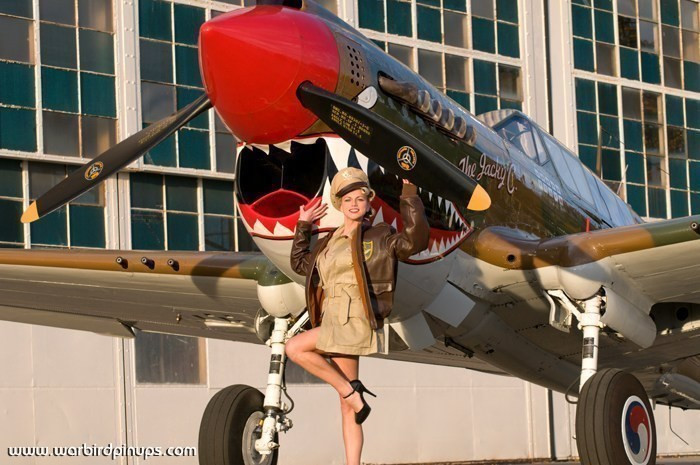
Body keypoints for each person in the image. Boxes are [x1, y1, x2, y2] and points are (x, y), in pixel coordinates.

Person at [287, 166, 429, 465]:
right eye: (347, 198)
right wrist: (303, 225)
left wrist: (410, 195)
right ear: (340, 204)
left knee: (295, 347)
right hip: (332, 317)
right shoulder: (329, 241)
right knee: (346, 406)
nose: (353, 203)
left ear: (368, 202)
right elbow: (302, 266)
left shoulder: (379, 235)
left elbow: (413, 242)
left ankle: (351, 391)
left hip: (355, 317)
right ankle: (353, 460)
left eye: (359, 198)